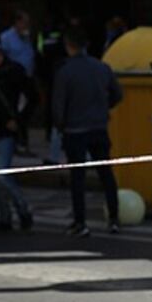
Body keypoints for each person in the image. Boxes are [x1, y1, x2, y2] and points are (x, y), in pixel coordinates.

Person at [52, 25, 123, 238]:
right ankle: (113, 218)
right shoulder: (102, 67)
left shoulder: (65, 72)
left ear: (68, 45)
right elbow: (117, 94)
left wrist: (60, 126)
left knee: (78, 178)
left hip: (75, 129)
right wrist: (103, 109)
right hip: (98, 126)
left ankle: (80, 222)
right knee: (106, 173)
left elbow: (58, 106)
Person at [0, 40, 37, 232]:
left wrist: (19, 120)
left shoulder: (13, 71)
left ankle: (23, 209)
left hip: (5, 131)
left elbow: (33, 97)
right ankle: (5, 218)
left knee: (1, 174)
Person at [0, 10, 35, 151]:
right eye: (24, 22)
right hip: (11, 82)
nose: (27, 25)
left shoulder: (26, 37)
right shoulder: (6, 38)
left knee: (27, 107)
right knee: (14, 110)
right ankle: (17, 140)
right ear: (18, 22)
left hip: (26, 79)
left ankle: (22, 140)